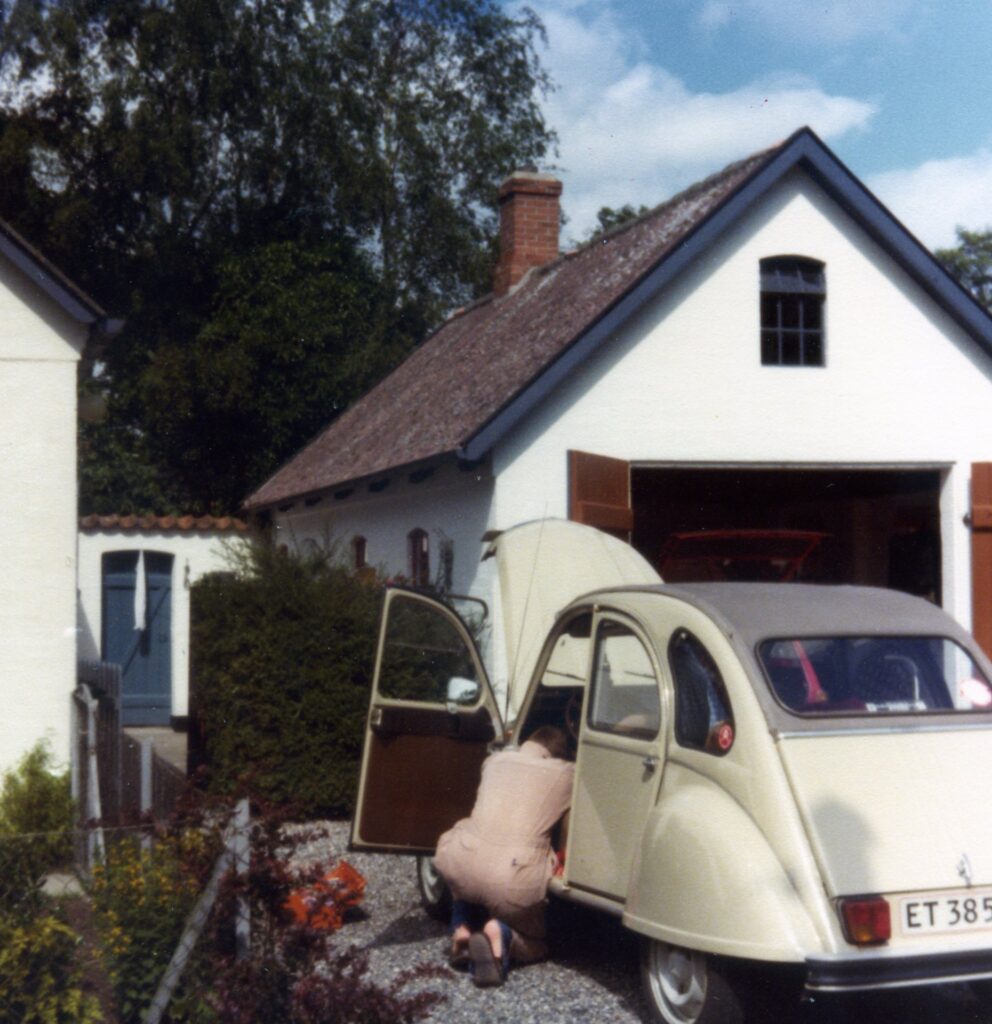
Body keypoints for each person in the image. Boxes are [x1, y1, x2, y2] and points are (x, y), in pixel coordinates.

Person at [433, 725, 575, 987]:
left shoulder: (493, 761)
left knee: (469, 872)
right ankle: (502, 934)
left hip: (461, 861)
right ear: (558, 755)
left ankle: (461, 928)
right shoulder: (568, 773)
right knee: (539, 943)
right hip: (511, 878)